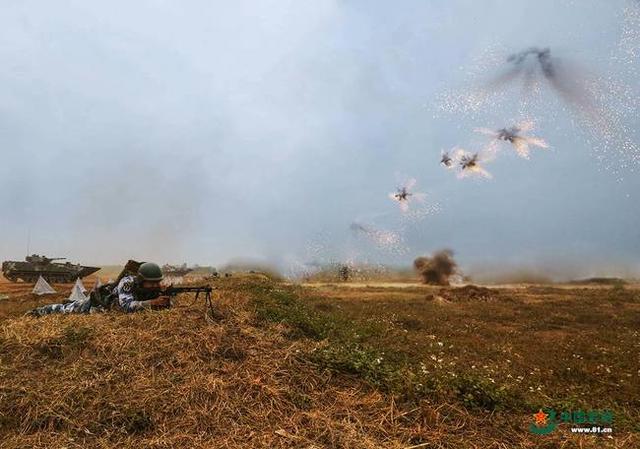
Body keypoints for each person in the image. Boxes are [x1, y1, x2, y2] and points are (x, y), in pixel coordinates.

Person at [28, 262, 171, 316]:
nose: (154, 286)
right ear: (140, 280)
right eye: (150, 283)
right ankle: (39, 311)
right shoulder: (127, 283)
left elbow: (162, 302)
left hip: (108, 307)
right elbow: (127, 306)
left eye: (156, 283)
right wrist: (152, 302)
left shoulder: (154, 287)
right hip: (99, 305)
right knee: (66, 310)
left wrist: (163, 294)